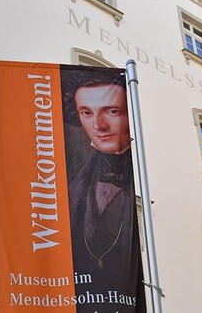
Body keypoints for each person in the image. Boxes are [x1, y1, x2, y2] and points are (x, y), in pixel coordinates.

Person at [61, 67, 146, 313]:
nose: (99, 125)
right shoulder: (77, 181)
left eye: (111, 111)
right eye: (87, 112)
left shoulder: (138, 175)